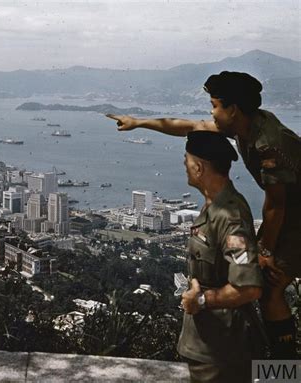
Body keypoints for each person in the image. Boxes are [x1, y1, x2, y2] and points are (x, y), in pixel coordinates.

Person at [107, 71, 300, 359]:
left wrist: (265, 249)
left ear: (232, 109)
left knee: (270, 288)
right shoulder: (246, 126)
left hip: (294, 218)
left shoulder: (267, 143)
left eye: (214, 105)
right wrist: (139, 122)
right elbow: (192, 126)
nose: (211, 112)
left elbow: (276, 205)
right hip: (291, 213)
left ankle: (284, 373)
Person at [179, 130, 263, 382]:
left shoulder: (229, 216)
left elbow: (248, 288)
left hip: (222, 351)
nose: (184, 164)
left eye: (187, 159)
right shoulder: (214, 206)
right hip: (208, 344)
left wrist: (201, 300)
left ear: (199, 168)